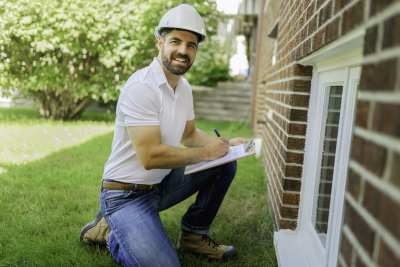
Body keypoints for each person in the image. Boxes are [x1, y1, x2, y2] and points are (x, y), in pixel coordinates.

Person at [79, 4, 250, 267]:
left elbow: (190, 134)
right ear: (160, 42)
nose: (183, 50)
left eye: (191, 45)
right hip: (125, 195)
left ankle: (193, 235)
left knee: (225, 163)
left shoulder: (183, 88)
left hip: (160, 186)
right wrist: (205, 153)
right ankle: (110, 231)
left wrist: (227, 145)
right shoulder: (141, 87)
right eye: (176, 41)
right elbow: (149, 156)